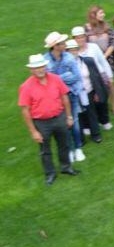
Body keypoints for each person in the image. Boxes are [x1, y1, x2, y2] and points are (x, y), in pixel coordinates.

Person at [19, 54, 78, 185]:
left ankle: (66, 167)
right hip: (41, 123)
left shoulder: (56, 79)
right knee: (45, 150)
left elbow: (65, 98)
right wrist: (33, 131)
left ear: (45, 66)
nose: (40, 70)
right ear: (31, 70)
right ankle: (50, 173)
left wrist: (68, 116)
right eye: (36, 68)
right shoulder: (26, 87)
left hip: (59, 117)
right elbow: (25, 111)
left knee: (64, 145)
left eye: (41, 66)